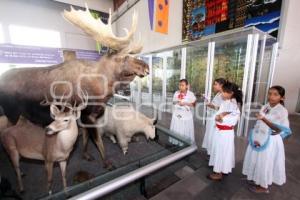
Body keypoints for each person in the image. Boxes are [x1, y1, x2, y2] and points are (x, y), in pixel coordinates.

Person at [242, 86, 291, 194]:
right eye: (270, 93)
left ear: (282, 98)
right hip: (259, 137)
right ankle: (257, 178)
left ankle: (264, 186)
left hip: (270, 140)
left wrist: (263, 119)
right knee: (257, 159)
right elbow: (260, 121)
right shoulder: (265, 106)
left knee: (265, 162)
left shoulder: (282, 111)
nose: (271, 96)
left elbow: (279, 129)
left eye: (275, 94)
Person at [208, 81, 243, 180]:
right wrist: (219, 116)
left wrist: (220, 117)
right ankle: (222, 169)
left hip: (225, 133)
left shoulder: (233, 104)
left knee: (222, 151)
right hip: (221, 131)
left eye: (223, 92)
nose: (221, 94)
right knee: (221, 151)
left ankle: (218, 173)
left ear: (231, 93)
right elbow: (218, 115)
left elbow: (232, 118)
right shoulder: (226, 102)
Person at [202, 78, 226, 157]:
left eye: (215, 84)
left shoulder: (224, 95)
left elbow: (223, 109)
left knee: (213, 135)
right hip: (212, 117)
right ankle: (210, 153)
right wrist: (209, 103)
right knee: (210, 134)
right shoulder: (218, 94)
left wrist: (211, 106)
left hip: (216, 118)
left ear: (221, 85)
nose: (213, 86)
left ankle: (213, 154)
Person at [169, 79, 196, 146]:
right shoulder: (176, 93)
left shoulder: (190, 94)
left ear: (187, 86)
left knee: (184, 127)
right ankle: (176, 141)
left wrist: (185, 103)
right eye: (180, 85)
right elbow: (173, 102)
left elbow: (194, 105)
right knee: (177, 127)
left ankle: (185, 142)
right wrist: (177, 102)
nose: (181, 87)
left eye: (182, 85)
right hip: (177, 113)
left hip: (186, 114)